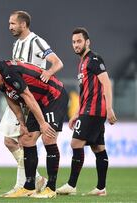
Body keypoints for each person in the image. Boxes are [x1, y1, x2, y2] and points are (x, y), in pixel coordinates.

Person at [0, 59, 68, 198]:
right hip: (38, 101)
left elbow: (28, 96)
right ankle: (29, 186)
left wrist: (42, 123)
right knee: (26, 139)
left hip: (53, 96)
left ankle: (51, 188)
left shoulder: (9, 73)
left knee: (48, 137)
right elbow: (10, 98)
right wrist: (22, 123)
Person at [0, 10, 64, 197]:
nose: (10, 26)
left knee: (21, 139)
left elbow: (57, 62)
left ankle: (26, 184)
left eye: (13, 23)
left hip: (33, 97)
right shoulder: (16, 44)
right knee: (11, 140)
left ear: (23, 24)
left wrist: (49, 73)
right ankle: (34, 180)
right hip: (20, 97)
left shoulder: (36, 41)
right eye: (9, 23)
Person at [56, 27, 117, 196]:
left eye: (79, 41)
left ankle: (71, 185)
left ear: (87, 42)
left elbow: (106, 83)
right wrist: (76, 113)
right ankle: (101, 188)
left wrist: (110, 108)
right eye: (74, 42)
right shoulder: (82, 62)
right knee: (98, 148)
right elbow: (85, 92)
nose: (76, 45)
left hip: (94, 111)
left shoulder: (94, 59)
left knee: (75, 143)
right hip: (87, 110)